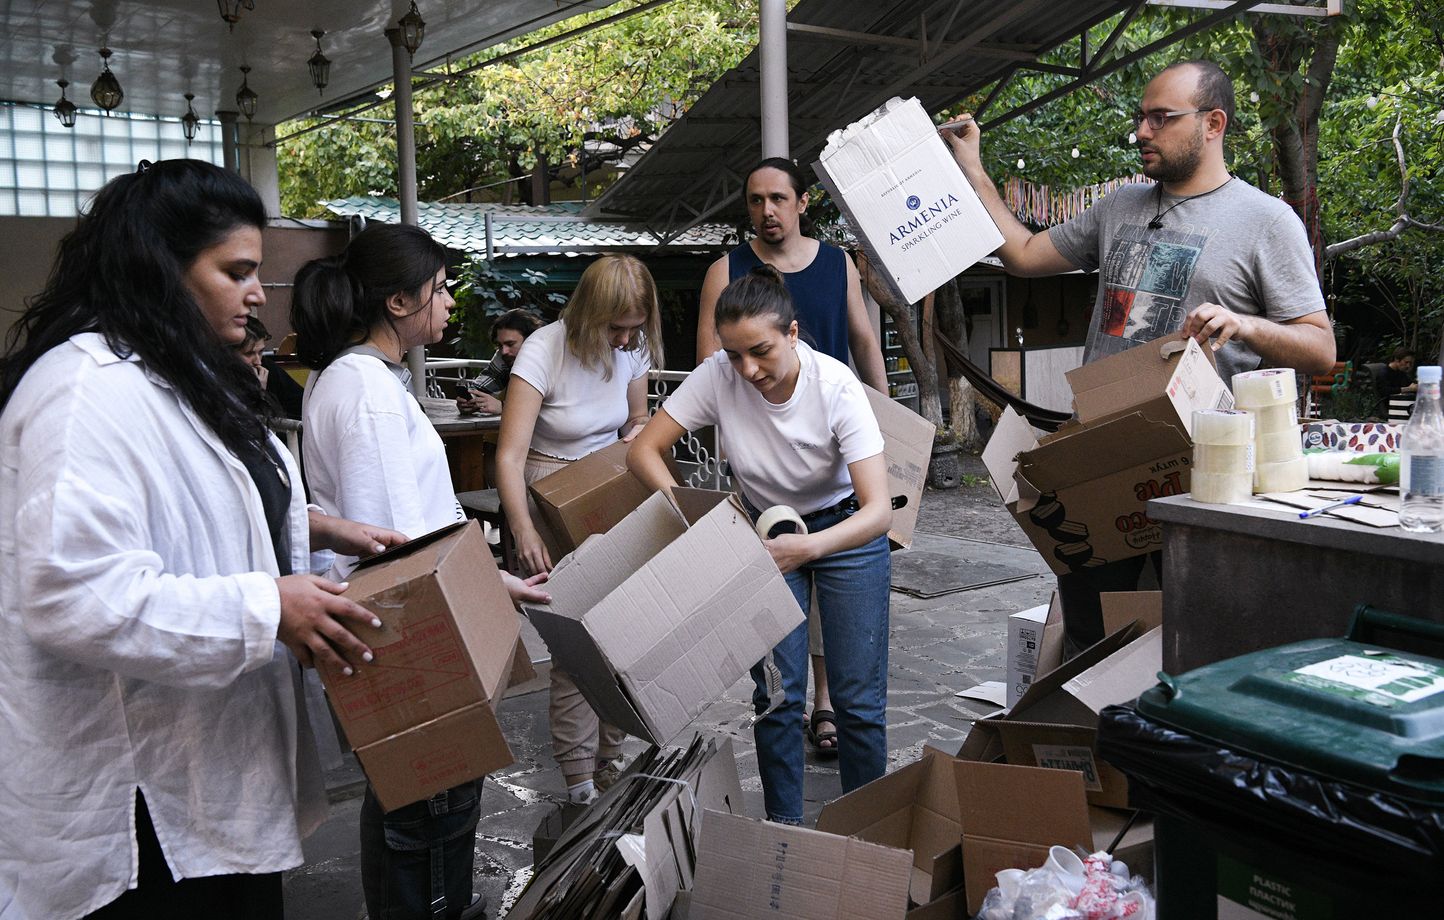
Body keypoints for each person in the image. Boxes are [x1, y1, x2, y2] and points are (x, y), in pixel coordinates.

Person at [0, 159, 409, 919]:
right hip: (141, 800)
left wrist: (340, 552)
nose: (259, 293)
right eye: (237, 271)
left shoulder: (181, 376)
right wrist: (266, 611)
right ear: (160, 268)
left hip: (213, 766)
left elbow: (209, 519)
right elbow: (73, 592)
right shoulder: (86, 389)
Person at [941, 59, 1336, 653]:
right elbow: (1021, 253)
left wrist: (1244, 324)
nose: (1142, 132)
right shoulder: (1119, 207)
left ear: (1213, 124)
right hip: (1099, 463)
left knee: (1194, 646)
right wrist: (972, 165)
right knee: (1094, 645)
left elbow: (1321, 347)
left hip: (1203, 473)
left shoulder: (1265, 221)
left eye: (1161, 119)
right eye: (1140, 118)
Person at [292, 223, 550, 920]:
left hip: (397, 629)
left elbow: (415, 533)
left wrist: (492, 582)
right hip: (411, 643)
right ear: (399, 303)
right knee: (431, 822)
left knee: (408, 811)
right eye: (439, 289)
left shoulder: (353, 377)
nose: (448, 301)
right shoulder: (368, 390)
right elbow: (398, 549)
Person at [631, 265, 892, 824]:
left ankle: (875, 836)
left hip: (845, 529)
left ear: (793, 333)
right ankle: (784, 836)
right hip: (765, 531)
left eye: (762, 351)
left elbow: (878, 511)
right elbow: (643, 452)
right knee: (776, 700)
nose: (748, 369)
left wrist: (814, 547)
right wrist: (694, 516)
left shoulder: (836, 385)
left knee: (858, 704)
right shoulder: (718, 376)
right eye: (734, 355)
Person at [695, 157, 888, 756]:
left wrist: (887, 420)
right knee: (777, 671)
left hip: (836, 442)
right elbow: (714, 369)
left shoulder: (836, 264)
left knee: (844, 613)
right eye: (755, 200)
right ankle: (798, 718)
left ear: (803, 203)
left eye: (778, 198)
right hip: (764, 455)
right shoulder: (726, 269)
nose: (767, 210)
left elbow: (862, 339)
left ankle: (827, 703)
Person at [495, 253, 661, 804]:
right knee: (574, 644)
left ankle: (611, 758)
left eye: (634, 328)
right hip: (548, 489)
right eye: (615, 328)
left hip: (606, 486)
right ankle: (579, 777)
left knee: (620, 634)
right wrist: (524, 530)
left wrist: (632, 438)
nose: (624, 340)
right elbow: (510, 455)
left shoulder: (632, 346)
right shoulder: (543, 349)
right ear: (590, 314)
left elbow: (638, 419)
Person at [456, 308, 543, 415]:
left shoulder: (549, 361)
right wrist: (472, 401)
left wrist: (503, 406)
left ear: (531, 340)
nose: (504, 351)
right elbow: (480, 387)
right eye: (500, 345)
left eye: (510, 344)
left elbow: (550, 409)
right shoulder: (503, 356)